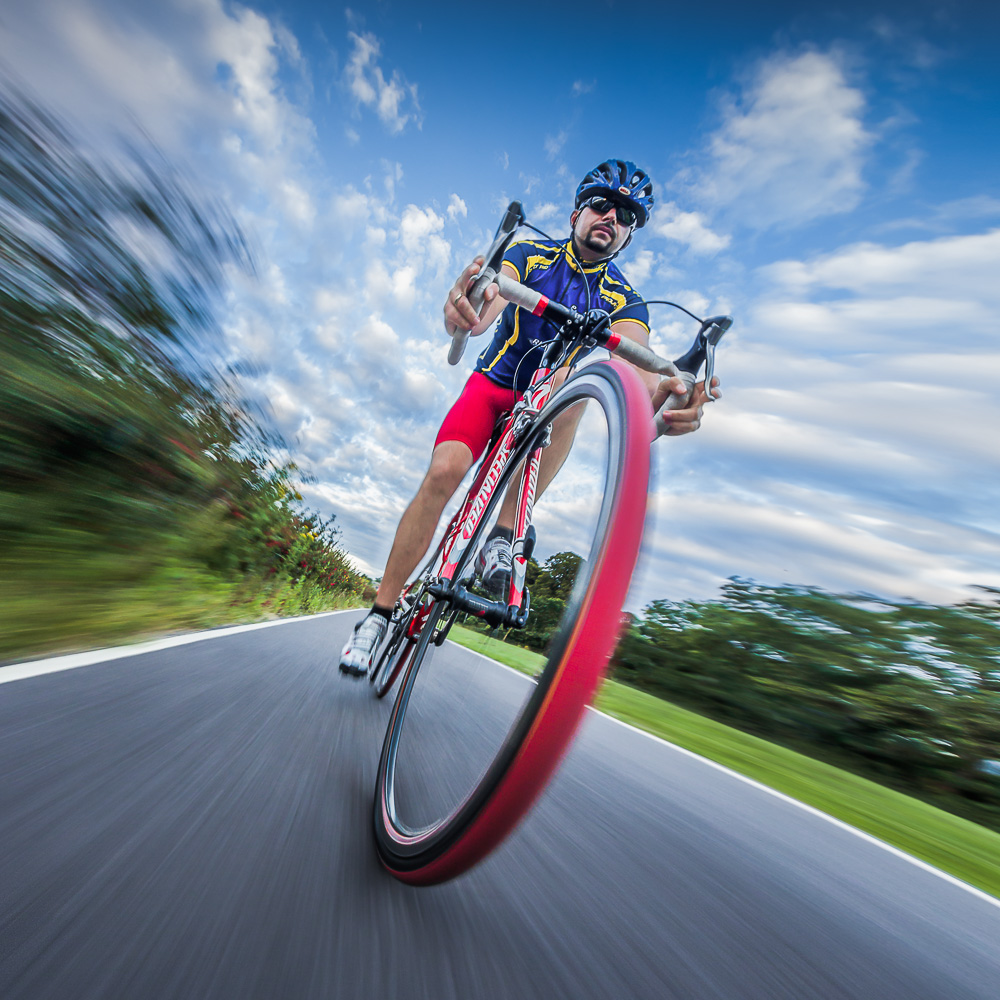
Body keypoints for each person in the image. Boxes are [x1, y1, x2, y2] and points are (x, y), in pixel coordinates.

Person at [339, 159, 719, 675]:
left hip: (545, 406)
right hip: (493, 386)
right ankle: (379, 615)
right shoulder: (530, 253)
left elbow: (639, 375)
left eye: (626, 215)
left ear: (629, 234)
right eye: (601, 204)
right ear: (576, 215)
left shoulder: (626, 300)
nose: (612, 216)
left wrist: (668, 400)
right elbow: (487, 301)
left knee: (578, 389)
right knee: (445, 473)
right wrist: (467, 305)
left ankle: (502, 535)